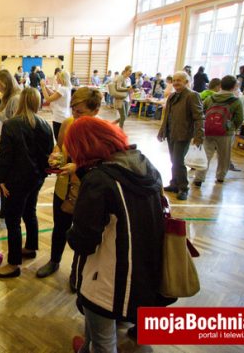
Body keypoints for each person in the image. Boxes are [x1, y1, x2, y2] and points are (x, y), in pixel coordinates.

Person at [64, 117, 168, 353]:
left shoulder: (99, 180)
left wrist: (69, 232)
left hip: (108, 278)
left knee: (104, 342)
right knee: (97, 334)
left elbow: (84, 241)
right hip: (145, 268)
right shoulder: (144, 165)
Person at [36, 87, 102, 280]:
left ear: (96, 110)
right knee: (60, 227)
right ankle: (54, 260)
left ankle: (77, 271)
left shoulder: (101, 131)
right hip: (63, 187)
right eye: (73, 109)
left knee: (82, 233)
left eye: (80, 111)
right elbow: (59, 146)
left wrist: (78, 166)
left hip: (87, 191)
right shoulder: (68, 123)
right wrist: (55, 154)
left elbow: (104, 164)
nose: (75, 114)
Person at [0, 88, 54, 278]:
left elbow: (5, 156)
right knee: (30, 211)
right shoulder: (45, 125)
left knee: (13, 220)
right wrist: (41, 175)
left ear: (20, 102)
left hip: (16, 180)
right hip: (36, 178)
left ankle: (13, 264)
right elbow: (48, 155)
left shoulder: (11, 124)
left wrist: (1, 178)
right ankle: (30, 247)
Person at [157, 71, 204, 201]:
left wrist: (199, 136)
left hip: (183, 134)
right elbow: (167, 116)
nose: (176, 83)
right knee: (174, 160)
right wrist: (162, 131)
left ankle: (183, 188)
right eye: (174, 80)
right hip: (171, 133)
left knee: (178, 161)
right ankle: (174, 184)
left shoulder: (192, 95)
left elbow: (199, 117)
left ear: (186, 82)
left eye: (179, 80)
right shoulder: (172, 96)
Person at [194, 75, 243, 186]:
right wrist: (232, 128)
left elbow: (202, 112)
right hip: (226, 132)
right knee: (224, 156)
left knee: (206, 154)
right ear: (234, 87)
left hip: (209, 130)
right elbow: (239, 118)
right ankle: (220, 176)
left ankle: (199, 178)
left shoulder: (210, 98)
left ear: (220, 85)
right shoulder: (236, 101)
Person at [41, 70, 72, 139]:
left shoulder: (62, 89)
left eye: (58, 77)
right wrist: (45, 87)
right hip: (63, 115)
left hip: (59, 117)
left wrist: (42, 87)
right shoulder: (65, 87)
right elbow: (53, 94)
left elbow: (48, 99)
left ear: (62, 79)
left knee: (58, 138)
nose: (56, 79)